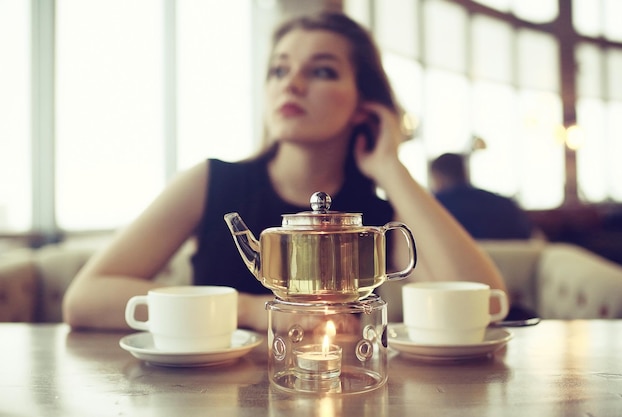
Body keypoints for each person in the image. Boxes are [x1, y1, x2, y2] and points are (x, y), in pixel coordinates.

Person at [63, 12, 507, 332]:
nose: (290, 83)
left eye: (321, 70)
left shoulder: (374, 214)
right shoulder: (210, 183)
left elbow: (485, 302)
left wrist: (393, 169)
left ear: (362, 105)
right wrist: (253, 310)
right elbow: (84, 300)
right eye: (279, 69)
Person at [430, 152, 534, 240]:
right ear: (465, 172)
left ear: (439, 177)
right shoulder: (504, 203)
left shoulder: (437, 207)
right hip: (514, 259)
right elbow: (527, 234)